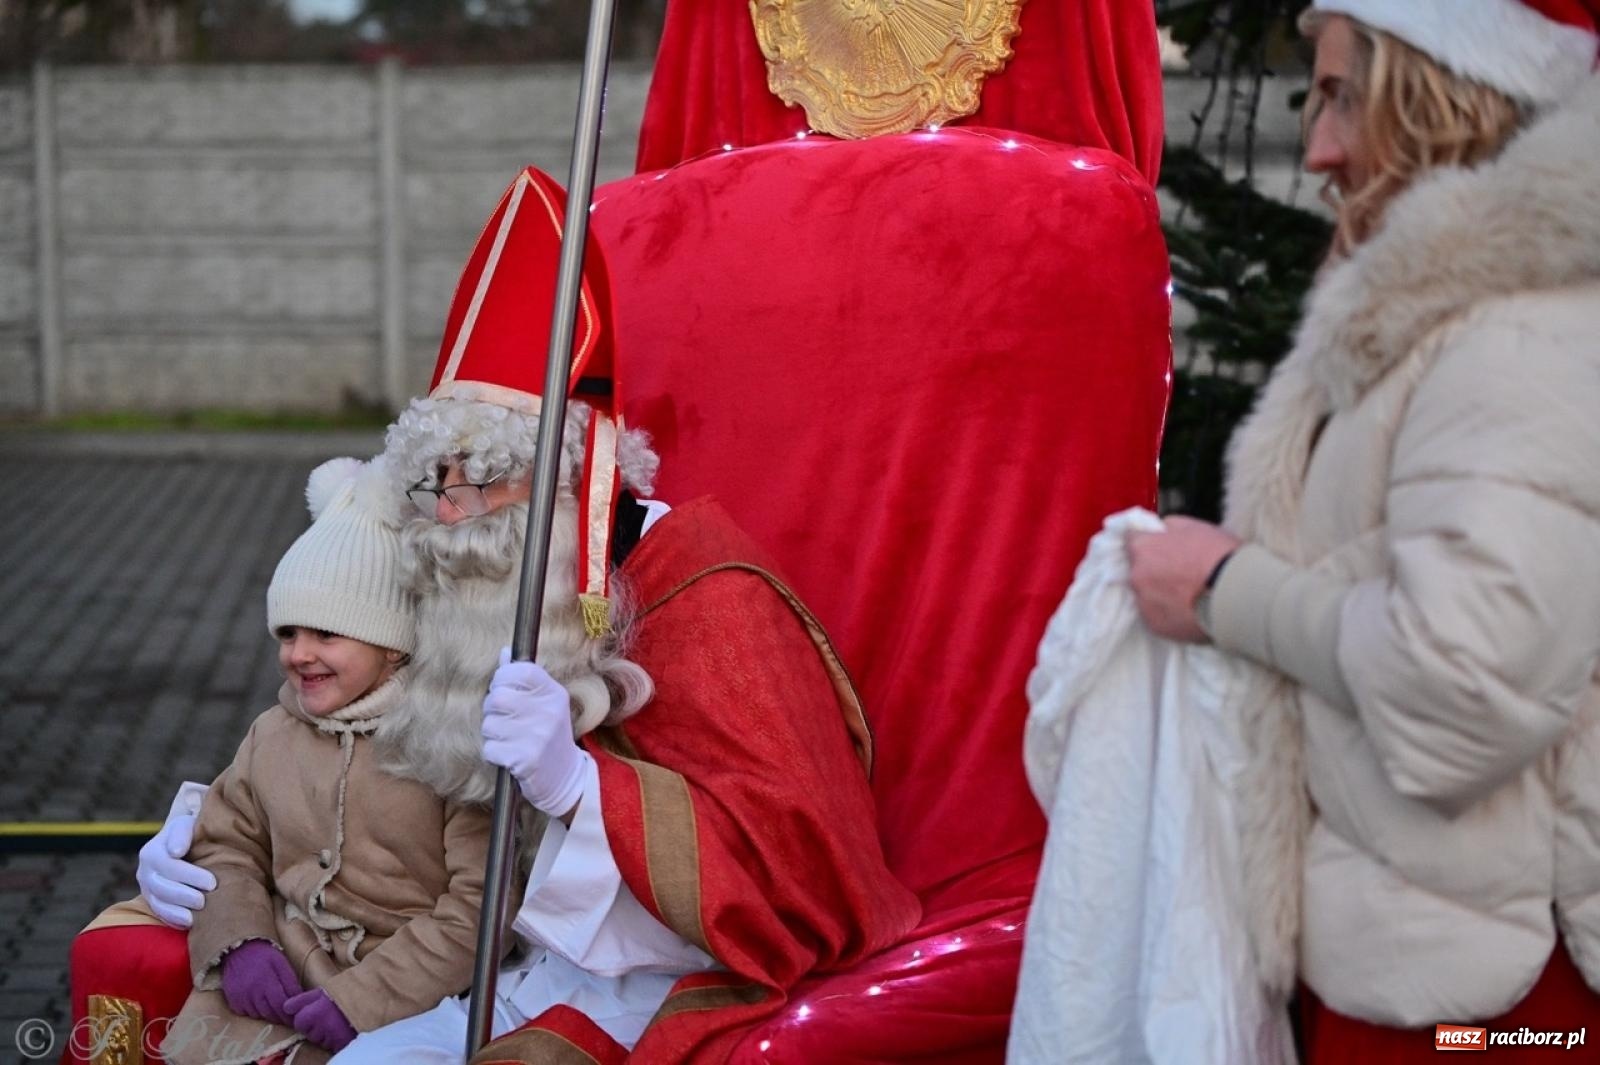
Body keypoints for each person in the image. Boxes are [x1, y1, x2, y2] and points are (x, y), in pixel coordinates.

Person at [77, 164, 918, 1065]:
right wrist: (197, 837)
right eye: (432, 483)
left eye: (474, 479)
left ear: (570, 478)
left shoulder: (713, 601)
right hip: (463, 958)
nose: (447, 519)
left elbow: (802, 873)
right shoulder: (477, 556)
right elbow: (328, 703)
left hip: (632, 977)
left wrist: (582, 791)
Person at [1127, 0, 1600, 1059]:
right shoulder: (1461, 316)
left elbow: (1462, 686)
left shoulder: (1519, 331)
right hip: (1428, 967)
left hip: (1491, 1016)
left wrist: (1222, 592)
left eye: (1340, 95)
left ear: (1443, 99)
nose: (1319, 147)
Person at [160, 456, 491, 1065]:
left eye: (326, 634)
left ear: (393, 645)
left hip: (412, 1001)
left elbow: (481, 906)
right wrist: (240, 942)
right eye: (287, 633)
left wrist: (365, 1000)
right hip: (276, 980)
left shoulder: (448, 742)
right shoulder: (273, 734)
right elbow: (226, 844)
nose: (299, 654)